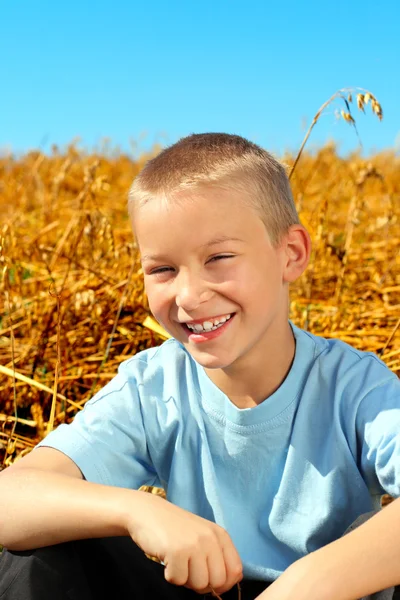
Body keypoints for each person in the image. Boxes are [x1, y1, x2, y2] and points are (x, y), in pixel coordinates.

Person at [0, 133, 399, 600]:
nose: (188, 296)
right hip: (205, 593)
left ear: (291, 253)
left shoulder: (355, 388)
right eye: (163, 270)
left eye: (219, 258)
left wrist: (304, 585)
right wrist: (138, 511)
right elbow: (12, 497)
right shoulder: (154, 388)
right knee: (36, 556)